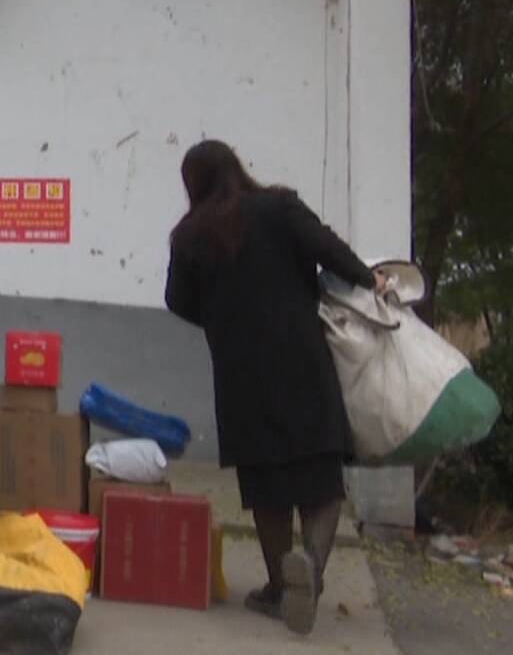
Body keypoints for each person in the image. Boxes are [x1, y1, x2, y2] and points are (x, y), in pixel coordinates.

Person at [162, 139, 392, 637]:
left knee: (264, 481)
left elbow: (177, 301)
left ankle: (278, 588)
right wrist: (367, 278)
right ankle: (311, 567)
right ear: (237, 168)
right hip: (301, 358)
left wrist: (221, 318)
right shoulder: (278, 206)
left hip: (239, 371)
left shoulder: (188, 235)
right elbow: (327, 248)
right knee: (321, 477)